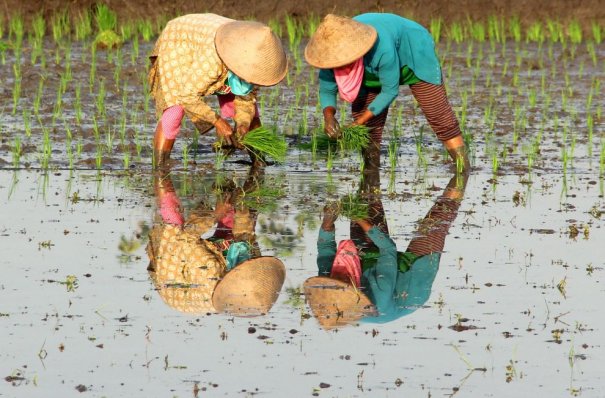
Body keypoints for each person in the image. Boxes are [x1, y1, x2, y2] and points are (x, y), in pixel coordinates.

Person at [304, 165, 467, 328]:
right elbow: (388, 248)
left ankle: (370, 165)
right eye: (342, 279)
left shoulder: (328, 283)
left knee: (366, 200)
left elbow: (325, 250)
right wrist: (359, 219)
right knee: (439, 217)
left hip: (367, 266)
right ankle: (463, 172)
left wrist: (327, 222)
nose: (337, 277)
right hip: (411, 279)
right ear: (353, 288)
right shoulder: (379, 296)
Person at [304, 13, 470, 170]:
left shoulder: (380, 48)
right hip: (368, 67)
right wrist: (328, 116)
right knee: (369, 127)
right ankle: (371, 174)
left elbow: (390, 91)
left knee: (438, 113)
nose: (338, 64)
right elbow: (327, 89)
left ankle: (463, 168)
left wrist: (357, 123)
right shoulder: (328, 54)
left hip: (414, 52)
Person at [148, 13, 288, 166]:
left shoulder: (255, 57)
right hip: (180, 41)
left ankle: (259, 162)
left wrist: (242, 124)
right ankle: (160, 164)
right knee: (175, 107)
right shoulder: (212, 61)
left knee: (251, 111)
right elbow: (186, 95)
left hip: (219, 43)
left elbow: (245, 98)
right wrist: (218, 122)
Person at [146, 166, 285, 316]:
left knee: (174, 223)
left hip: (172, 271)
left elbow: (186, 237)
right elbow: (246, 232)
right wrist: (256, 172)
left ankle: (160, 169)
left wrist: (215, 215)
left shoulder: (209, 271)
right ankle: (225, 188)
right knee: (238, 221)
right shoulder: (255, 268)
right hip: (210, 272)